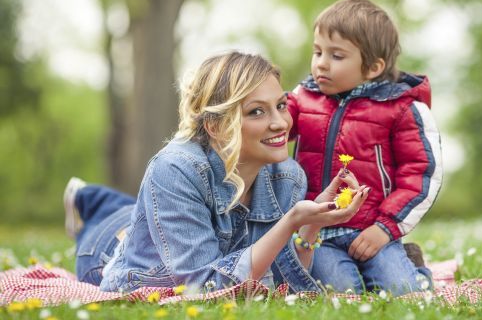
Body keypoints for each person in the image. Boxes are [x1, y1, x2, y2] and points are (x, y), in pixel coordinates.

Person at [64, 51, 370, 293]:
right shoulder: (175, 169)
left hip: (165, 221)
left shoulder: (288, 177)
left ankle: (107, 201)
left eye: (281, 105)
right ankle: (87, 198)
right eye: (256, 112)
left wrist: (310, 224)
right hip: (110, 255)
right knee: (111, 222)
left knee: (137, 210)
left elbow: (281, 277)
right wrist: (290, 221)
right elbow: (203, 287)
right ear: (215, 126)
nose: (280, 123)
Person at [287, 0, 443, 294]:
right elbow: (273, 128)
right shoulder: (303, 98)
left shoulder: (400, 108)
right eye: (317, 51)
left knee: (402, 293)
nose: (321, 63)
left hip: (373, 230)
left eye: (336, 56)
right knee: (342, 294)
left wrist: (386, 228)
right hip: (319, 231)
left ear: (372, 67)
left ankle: (413, 264)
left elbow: (421, 174)